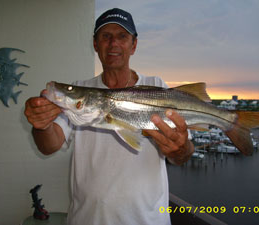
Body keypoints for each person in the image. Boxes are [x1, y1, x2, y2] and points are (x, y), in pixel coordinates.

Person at [24, 8, 194, 225]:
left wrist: (181, 150)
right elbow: (49, 144)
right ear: (95, 44)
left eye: (122, 36)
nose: (114, 43)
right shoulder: (81, 91)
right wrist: (41, 125)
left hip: (148, 220)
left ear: (134, 45)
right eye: (106, 36)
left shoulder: (158, 87)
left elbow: (184, 153)